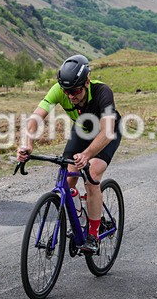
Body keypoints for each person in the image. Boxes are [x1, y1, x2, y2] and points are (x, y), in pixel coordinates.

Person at [17, 55, 121, 254]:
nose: (70, 96)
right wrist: (27, 144)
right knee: (67, 179)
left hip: (107, 133)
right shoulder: (59, 90)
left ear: (87, 82)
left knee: (92, 177)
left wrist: (88, 154)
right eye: (66, 92)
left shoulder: (103, 92)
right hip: (82, 131)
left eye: (75, 91)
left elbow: (107, 131)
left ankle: (92, 235)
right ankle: (80, 214)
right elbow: (35, 118)